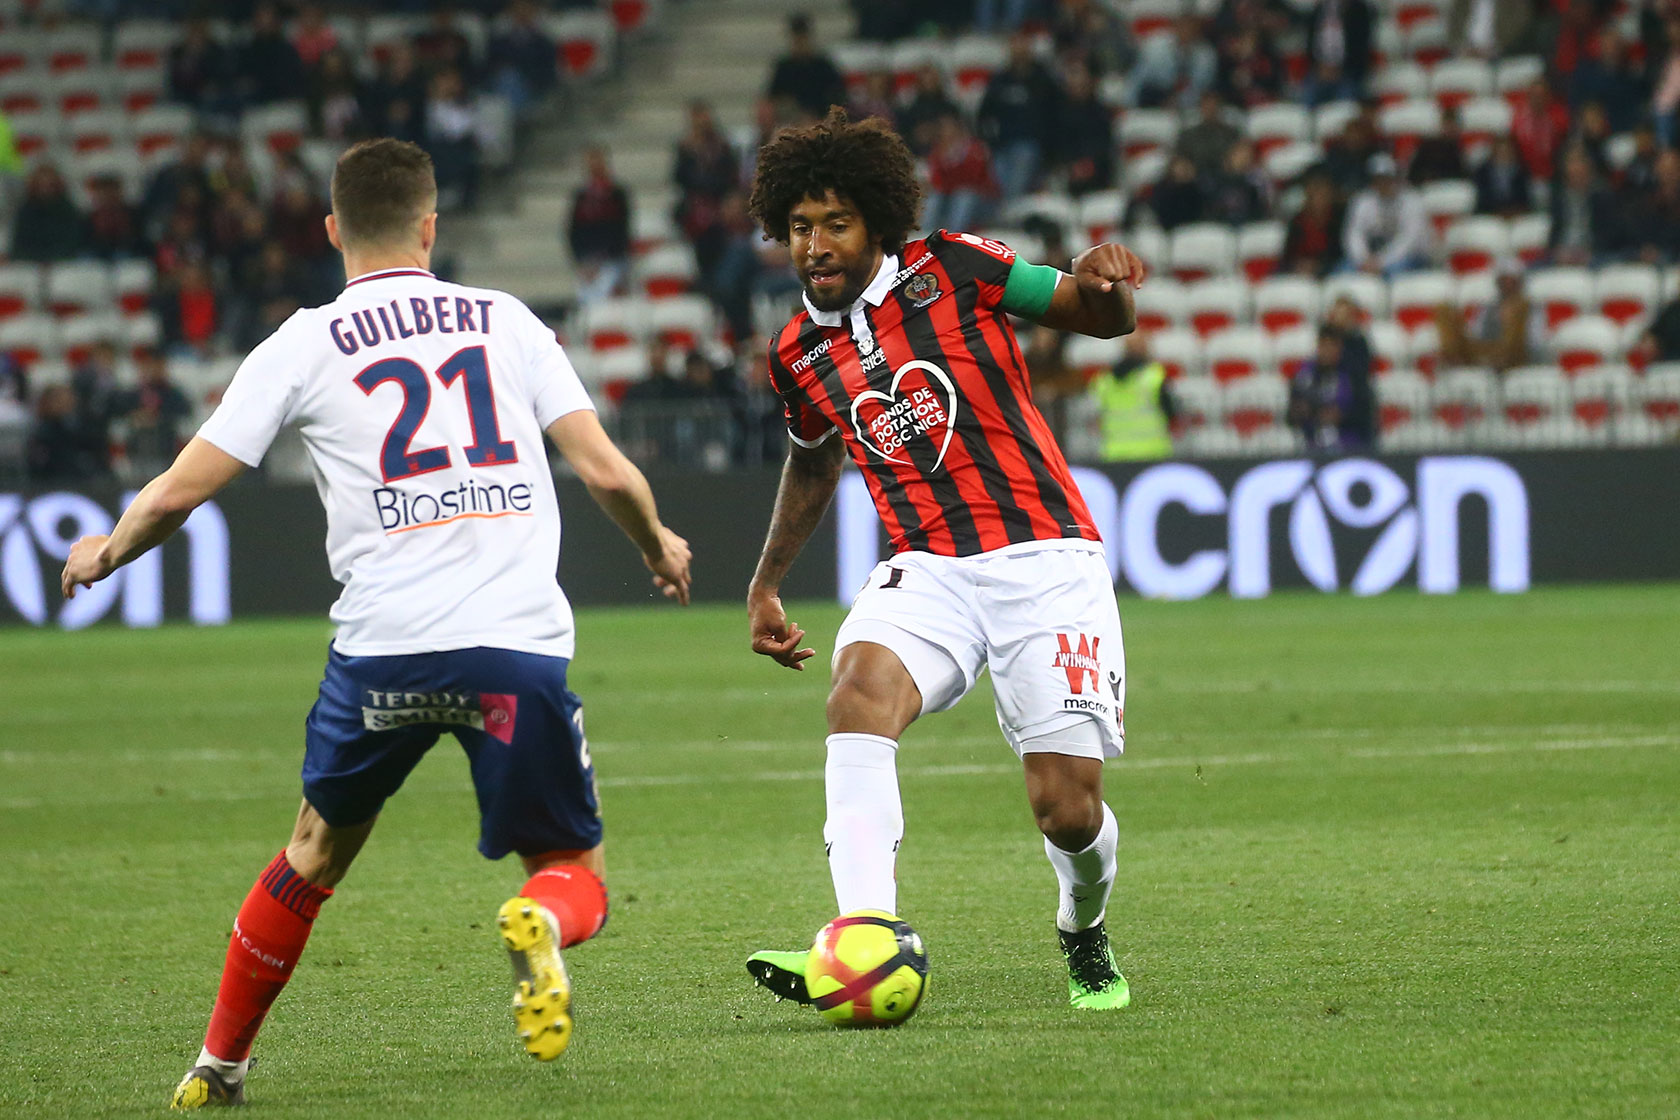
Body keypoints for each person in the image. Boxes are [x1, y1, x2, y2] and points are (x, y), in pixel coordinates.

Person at [58, 139, 693, 1108]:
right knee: (572, 871)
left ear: (331, 229)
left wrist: (107, 551)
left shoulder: (303, 342)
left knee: (312, 854)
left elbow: (183, 489)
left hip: (382, 655)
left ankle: (217, 1064)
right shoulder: (508, 321)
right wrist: (657, 545)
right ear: (431, 226)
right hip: (513, 650)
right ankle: (541, 921)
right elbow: (605, 471)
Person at [739, 109, 1145, 1015]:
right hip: (927, 566)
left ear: (876, 222)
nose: (816, 245)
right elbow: (813, 460)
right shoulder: (798, 351)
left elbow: (1097, 316)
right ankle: (863, 937)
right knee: (857, 692)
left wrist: (1108, 282)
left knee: (1068, 810)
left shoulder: (954, 266)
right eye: (800, 226)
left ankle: (1082, 927)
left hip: (1045, 556)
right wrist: (767, 581)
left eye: (836, 223)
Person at [1434, 257, 1546, 373]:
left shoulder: (1530, 308)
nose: (1507, 285)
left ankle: (1499, 360)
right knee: (1444, 310)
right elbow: (1476, 335)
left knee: (1521, 308)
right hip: (1487, 351)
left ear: (1520, 282)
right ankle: (1454, 359)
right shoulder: (1488, 307)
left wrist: (1511, 322)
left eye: (1512, 281)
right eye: (1504, 280)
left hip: (1515, 356)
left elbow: (1535, 344)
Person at [1287, 325, 1374, 450]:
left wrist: (1341, 417)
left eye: (1331, 346)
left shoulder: (1352, 375)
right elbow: (1290, 414)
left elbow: (1364, 414)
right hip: (1311, 446)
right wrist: (1302, 412)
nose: (1327, 351)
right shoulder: (1304, 373)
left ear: (1339, 348)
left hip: (1348, 446)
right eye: (1323, 345)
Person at [1090, 332, 1174, 460]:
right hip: (1151, 452)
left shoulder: (1104, 380)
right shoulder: (1155, 376)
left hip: (1114, 453)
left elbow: (1096, 417)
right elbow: (1171, 413)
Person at [1342, 154, 1429, 277]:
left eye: (1387, 178)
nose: (1383, 183)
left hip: (1409, 257)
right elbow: (1353, 234)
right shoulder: (1362, 200)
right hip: (1371, 257)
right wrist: (1363, 259)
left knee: (1394, 273)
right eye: (1378, 179)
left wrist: (1381, 261)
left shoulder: (1412, 200)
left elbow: (1409, 241)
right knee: (1343, 271)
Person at [568, 146, 632, 307]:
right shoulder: (582, 197)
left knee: (605, 296)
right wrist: (582, 261)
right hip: (587, 261)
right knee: (587, 300)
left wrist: (604, 258)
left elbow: (621, 230)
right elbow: (574, 231)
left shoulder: (616, 194)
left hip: (612, 259)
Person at [766, 13, 847, 120]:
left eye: (803, 38)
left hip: (821, 119)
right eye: (797, 39)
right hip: (793, 121)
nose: (800, 43)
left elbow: (838, 93)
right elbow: (774, 97)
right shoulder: (784, 67)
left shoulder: (823, 66)